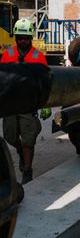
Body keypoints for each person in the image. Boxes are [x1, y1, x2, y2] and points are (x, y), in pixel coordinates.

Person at [1, 18, 51, 184]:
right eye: (20, 37)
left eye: (26, 37)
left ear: (31, 38)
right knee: (9, 136)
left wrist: (46, 105)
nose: (23, 40)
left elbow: (46, 83)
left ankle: (27, 170)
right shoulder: (7, 54)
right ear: (15, 37)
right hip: (10, 105)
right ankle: (20, 150)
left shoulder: (39, 57)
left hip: (29, 106)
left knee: (29, 139)